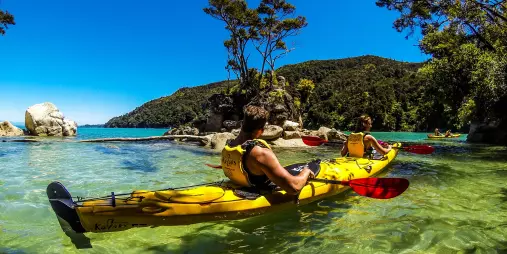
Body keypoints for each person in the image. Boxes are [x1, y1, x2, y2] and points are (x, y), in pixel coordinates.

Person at [221, 105, 314, 194]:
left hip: (238, 185)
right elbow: (294, 188)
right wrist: (306, 172)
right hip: (256, 190)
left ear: (242, 124)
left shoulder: (229, 145)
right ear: (261, 130)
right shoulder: (260, 154)